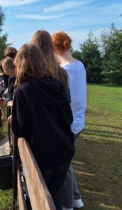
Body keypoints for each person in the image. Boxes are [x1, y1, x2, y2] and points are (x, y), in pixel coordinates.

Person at [11, 44, 75, 210]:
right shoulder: (57, 84)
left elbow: (20, 130)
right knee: (55, 198)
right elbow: (68, 117)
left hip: (42, 156)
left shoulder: (22, 91)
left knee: (38, 200)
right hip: (63, 150)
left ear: (20, 63)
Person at [52, 31, 86, 210]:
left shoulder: (63, 71)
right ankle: (75, 198)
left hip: (68, 125)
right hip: (79, 121)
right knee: (66, 161)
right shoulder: (79, 65)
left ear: (54, 49)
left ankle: (67, 205)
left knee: (61, 164)